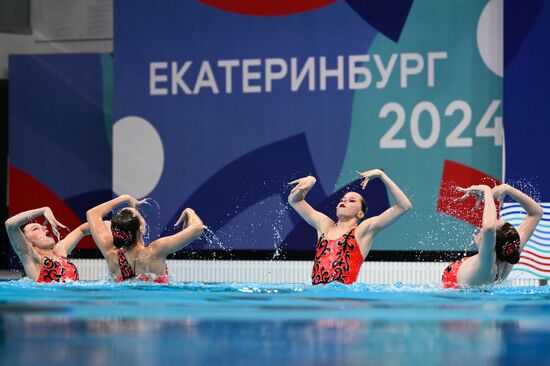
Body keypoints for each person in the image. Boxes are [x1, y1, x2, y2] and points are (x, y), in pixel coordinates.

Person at [288, 169, 412, 285]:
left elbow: (404, 206)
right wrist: (311, 181)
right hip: (317, 296)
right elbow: (295, 201)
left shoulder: (362, 232)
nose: (344, 201)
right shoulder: (324, 226)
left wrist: (381, 175)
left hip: (344, 299)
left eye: (351, 201)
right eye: (342, 199)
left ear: (360, 213)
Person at [442, 184, 543, 288]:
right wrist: (508, 189)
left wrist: (487, 191)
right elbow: (536, 213)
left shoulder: (487, 264)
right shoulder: (509, 253)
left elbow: (489, 228)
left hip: (457, 299)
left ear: (491, 243)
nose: (482, 227)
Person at [86, 194, 204, 283]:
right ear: (141, 228)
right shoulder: (155, 251)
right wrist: (190, 211)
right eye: (139, 216)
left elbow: (92, 214)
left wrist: (125, 198)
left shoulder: (110, 252)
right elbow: (198, 228)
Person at [5, 207, 91, 283]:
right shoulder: (33, 260)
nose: (45, 227)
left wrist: (101, 225)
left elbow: (82, 230)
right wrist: (43, 210)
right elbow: (10, 225)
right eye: (35, 229)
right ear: (28, 242)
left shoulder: (59, 251)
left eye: (42, 226)